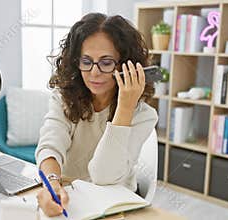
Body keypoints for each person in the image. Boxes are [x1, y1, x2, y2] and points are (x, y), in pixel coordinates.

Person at [35, 12, 158, 217]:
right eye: (86, 61)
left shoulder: (143, 116)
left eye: (106, 62)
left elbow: (103, 176)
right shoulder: (63, 99)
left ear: (126, 65)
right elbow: (49, 146)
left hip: (114, 207)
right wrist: (51, 184)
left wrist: (125, 108)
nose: (94, 72)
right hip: (71, 199)